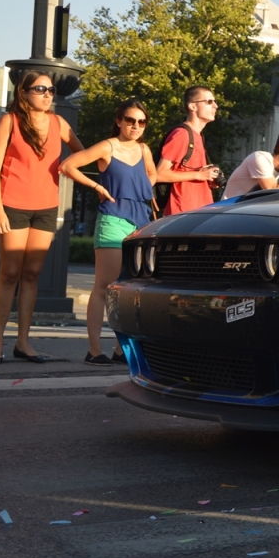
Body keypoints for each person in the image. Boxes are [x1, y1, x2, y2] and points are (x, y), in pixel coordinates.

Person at [0, 73, 84, 365]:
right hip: (12, 204)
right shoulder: (9, 121)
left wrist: (77, 165)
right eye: (40, 89)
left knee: (31, 275)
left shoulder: (58, 124)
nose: (47, 93)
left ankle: (23, 342)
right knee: (10, 273)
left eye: (51, 89)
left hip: (46, 207)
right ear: (24, 92)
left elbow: (82, 153)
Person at [61, 99, 157, 366]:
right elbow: (68, 166)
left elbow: (152, 173)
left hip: (141, 222)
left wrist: (144, 190)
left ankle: (120, 350)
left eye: (141, 121)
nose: (136, 126)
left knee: (129, 289)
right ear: (119, 121)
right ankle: (94, 350)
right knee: (105, 286)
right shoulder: (107, 146)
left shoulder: (144, 148)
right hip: (113, 220)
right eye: (130, 120)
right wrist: (97, 187)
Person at [155, 86, 222, 214]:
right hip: (182, 213)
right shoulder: (181, 135)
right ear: (193, 106)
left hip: (199, 212)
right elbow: (159, 174)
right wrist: (199, 175)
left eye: (214, 101)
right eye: (209, 102)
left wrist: (209, 178)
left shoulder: (198, 135)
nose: (215, 106)